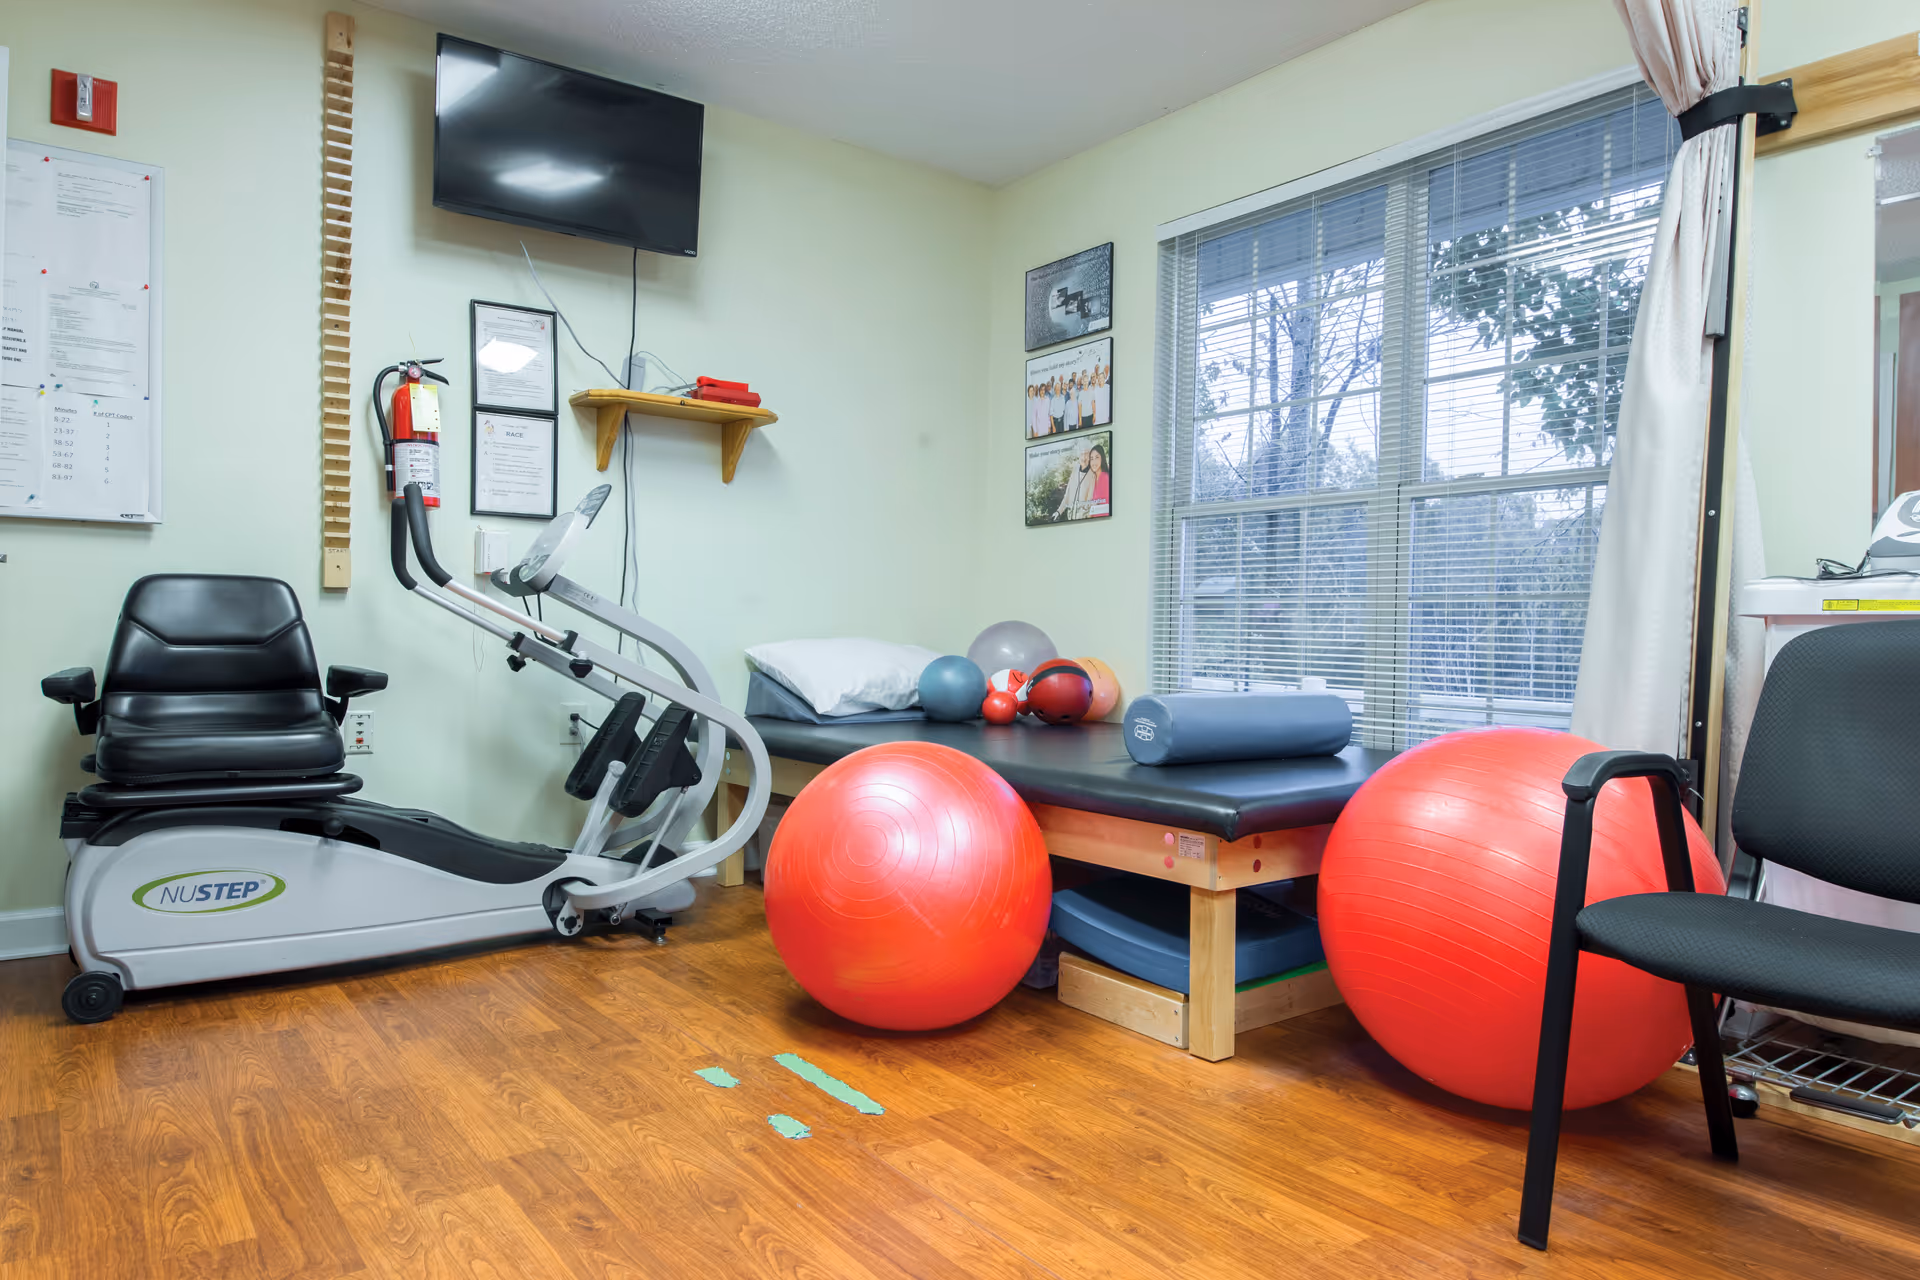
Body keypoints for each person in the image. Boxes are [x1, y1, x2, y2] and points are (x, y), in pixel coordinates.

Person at [1052, 447, 1093, 522]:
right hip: (1071, 519)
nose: (1084, 457)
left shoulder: (1094, 473)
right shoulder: (1075, 469)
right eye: (1082, 454)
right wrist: (1059, 511)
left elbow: (1093, 500)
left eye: (1086, 454)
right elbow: (1067, 495)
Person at [1085, 443, 1110, 517]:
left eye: (1097, 457)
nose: (1094, 462)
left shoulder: (1105, 477)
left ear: (1102, 458)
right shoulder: (1093, 478)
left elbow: (1105, 506)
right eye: (1091, 459)